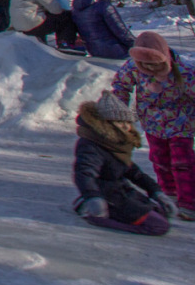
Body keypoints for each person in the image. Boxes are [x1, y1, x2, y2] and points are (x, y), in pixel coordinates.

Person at [111, 31, 195, 221]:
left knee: (182, 162)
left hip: (180, 124)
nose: (151, 70)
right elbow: (120, 85)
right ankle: (169, 195)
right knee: (159, 159)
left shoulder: (185, 72)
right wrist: (120, 113)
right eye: (146, 66)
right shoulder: (133, 68)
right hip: (152, 124)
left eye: (156, 66)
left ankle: (191, 203)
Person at [72, 92, 172, 236]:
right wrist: (93, 197)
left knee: (161, 213)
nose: (126, 127)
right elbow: (85, 173)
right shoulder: (92, 145)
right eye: (119, 122)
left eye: (128, 122)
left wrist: (156, 192)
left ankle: (91, 206)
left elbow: (133, 172)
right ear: (105, 123)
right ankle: (93, 215)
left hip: (120, 191)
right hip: (105, 194)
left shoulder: (117, 143)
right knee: (158, 226)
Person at [70, 0, 134, 60]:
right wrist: (135, 44)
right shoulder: (103, 6)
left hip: (94, 52)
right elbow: (119, 30)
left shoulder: (76, 9)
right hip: (116, 51)